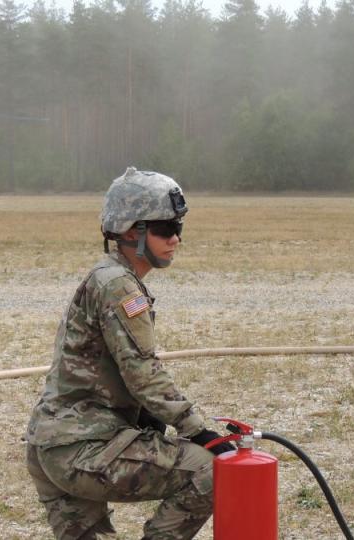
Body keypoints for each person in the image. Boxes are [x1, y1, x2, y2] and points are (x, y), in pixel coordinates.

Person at [25, 167, 235, 539]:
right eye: (165, 229)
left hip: (52, 445)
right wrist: (198, 430)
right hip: (83, 450)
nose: (176, 240)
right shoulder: (120, 286)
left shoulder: (107, 276)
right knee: (213, 470)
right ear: (129, 232)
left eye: (178, 228)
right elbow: (142, 371)